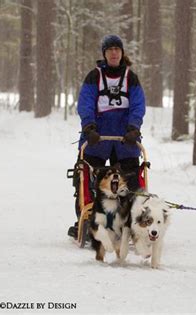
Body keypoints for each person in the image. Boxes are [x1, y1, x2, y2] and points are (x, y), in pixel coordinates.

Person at [68, 34, 146, 239]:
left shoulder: (131, 78)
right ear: (104, 53)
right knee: (87, 177)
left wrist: (134, 128)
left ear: (122, 53)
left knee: (130, 181)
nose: (113, 52)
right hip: (97, 137)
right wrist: (88, 127)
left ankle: (134, 221)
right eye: (110, 49)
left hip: (124, 138)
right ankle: (86, 220)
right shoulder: (94, 76)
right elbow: (85, 103)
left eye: (117, 49)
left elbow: (138, 105)